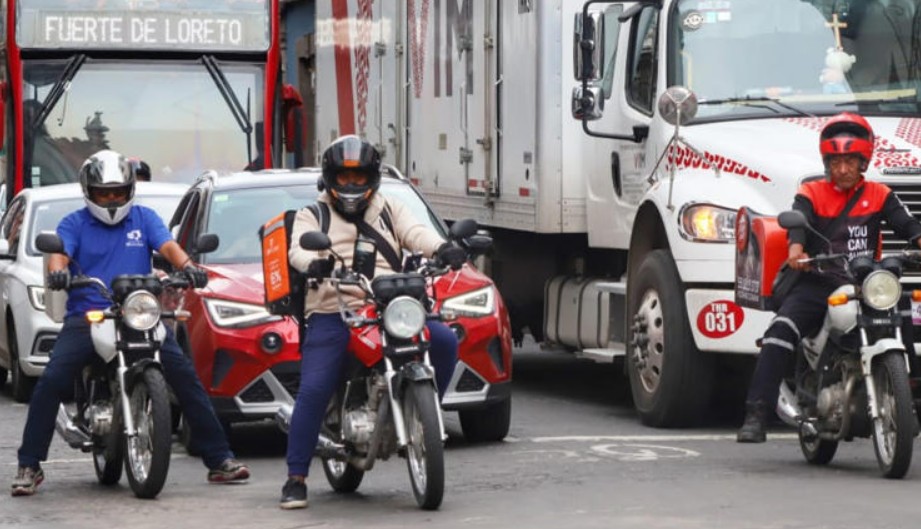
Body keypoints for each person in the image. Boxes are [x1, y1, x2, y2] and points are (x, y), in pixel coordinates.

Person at [11, 150, 250, 496]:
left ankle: (219, 460)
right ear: (89, 192)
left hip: (138, 313)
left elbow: (168, 247)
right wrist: (59, 272)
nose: (111, 199)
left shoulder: (144, 218)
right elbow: (60, 253)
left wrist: (189, 267)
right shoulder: (74, 223)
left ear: (129, 190)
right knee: (50, 381)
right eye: (104, 193)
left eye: (118, 192)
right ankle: (29, 465)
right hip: (88, 315)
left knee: (184, 375)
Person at [279, 135, 465, 509]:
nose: (351, 185)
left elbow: (416, 233)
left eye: (359, 177)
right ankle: (295, 477)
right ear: (331, 178)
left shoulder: (389, 208)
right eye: (344, 178)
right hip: (335, 308)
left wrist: (441, 248)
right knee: (315, 386)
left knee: (444, 341)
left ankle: (421, 416)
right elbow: (297, 249)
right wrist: (313, 263)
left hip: (388, 304)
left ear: (372, 177)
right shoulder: (311, 216)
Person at [737, 112, 921, 443]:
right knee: (780, 332)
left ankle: (907, 400)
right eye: (836, 161)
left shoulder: (880, 194)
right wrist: (796, 251)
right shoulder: (811, 192)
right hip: (817, 281)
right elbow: (797, 223)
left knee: (905, 311)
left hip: (863, 284)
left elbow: (908, 226)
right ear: (826, 162)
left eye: (851, 161)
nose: (843, 169)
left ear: (864, 161)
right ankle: (756, 413)